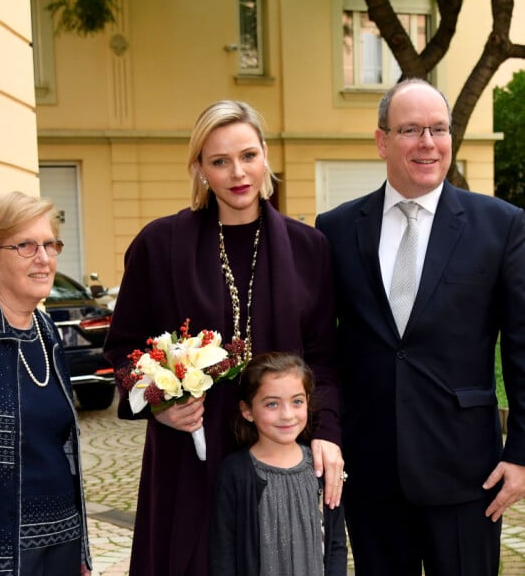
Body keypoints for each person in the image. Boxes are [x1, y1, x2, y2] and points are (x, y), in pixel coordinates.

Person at [103, 99, 344, 576]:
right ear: (199, 169)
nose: (238, 172)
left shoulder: (308, 247)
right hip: (189, 455)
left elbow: (324, 357)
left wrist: (329, 436)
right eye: (220, 161)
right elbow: (122, 351)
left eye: (248, 155)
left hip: (279, 452)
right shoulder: (159, 244)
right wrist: (160, 404)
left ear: (265, 156)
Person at [315, 78, 525, 575]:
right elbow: (323, 346)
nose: (427, 143)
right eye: (411, 130)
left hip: (468, 472)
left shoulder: (502, 225)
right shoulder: (337, 228)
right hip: (369, 469)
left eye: (438, 129)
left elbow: (521, 347)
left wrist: (521, 454)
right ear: (382, 140)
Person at [0, 191, 92, 575]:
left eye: (49, 244)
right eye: (25, 246)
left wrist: (81, 551)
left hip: (60, 539)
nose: (44, 259)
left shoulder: (46, 331)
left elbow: (61, 442)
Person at [210, 352, 347, 576]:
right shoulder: (235, 472)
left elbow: (336, 544)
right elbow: (223, 552)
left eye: (297, 402)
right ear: (247, 410)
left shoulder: (320, 468)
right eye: (272, 404)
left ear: (308, 402)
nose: (287, 415)